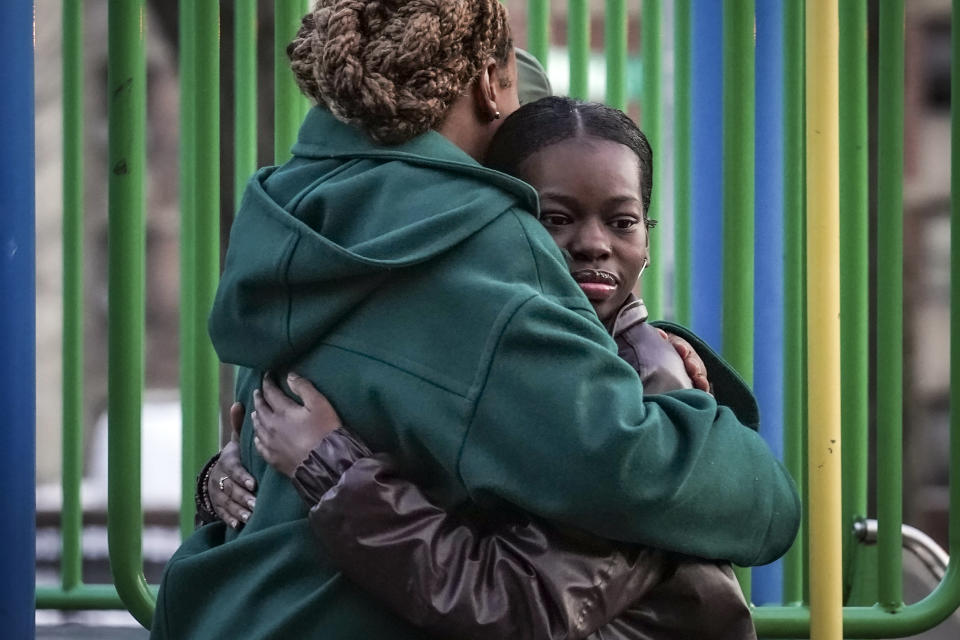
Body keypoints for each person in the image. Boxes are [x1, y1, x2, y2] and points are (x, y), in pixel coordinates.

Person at [151, 2, 799, 638]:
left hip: (217, 606)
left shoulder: (294, 215)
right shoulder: (481, 245)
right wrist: (700, 422)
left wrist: (224, 480)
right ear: (491, 83)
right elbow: (706, 497)